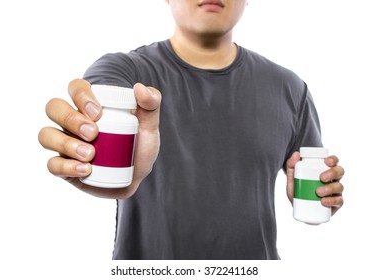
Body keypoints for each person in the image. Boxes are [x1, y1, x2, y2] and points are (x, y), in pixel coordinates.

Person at [38, 0, 344, 259]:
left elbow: (315, 187)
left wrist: (319, 195)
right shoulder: (124, 72)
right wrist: (85, 146)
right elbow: (96, 109)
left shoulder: (290, 88)